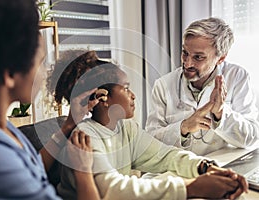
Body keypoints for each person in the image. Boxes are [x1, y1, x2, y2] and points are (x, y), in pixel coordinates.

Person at [49, 53, 248, 200]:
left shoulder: (127, 129)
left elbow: (165, 156)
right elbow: (112, 190)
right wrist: (191, 187)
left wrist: (204, 167)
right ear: (102, 97)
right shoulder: (84, 136)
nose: (133, 95)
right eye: (126, 88)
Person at [0, 0, 99, 199]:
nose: (44, 74)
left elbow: (29, 171)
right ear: (10, 73)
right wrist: (83, 171)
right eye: (40, 63)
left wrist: (68, 125)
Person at [145, 17, 259, 155]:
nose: (187, 64)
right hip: (178, 170)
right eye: (185, 53)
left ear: (221, 58)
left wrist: (220, 114)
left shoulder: (237, 77)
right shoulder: (163, 85)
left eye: (198, 57)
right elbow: (150, 142)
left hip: (220, 167)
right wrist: (183, 128)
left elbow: (251, 138)